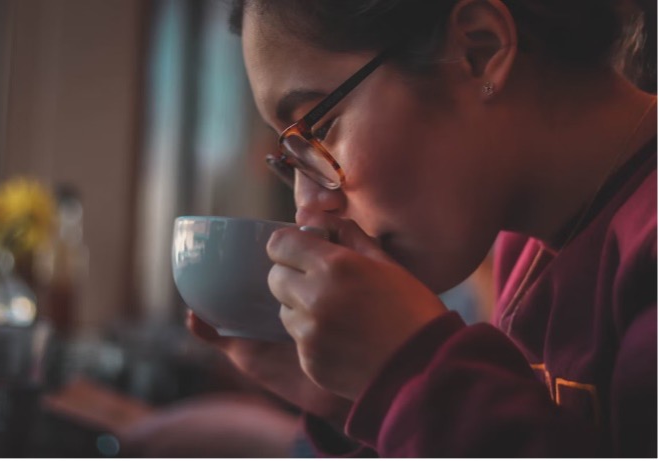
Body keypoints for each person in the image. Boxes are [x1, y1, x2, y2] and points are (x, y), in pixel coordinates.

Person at [187, 0, 657, 456]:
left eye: (319, 129)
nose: (309, 210)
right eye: (291, 161)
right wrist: (357, 406)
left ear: (478, 51)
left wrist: (409, 378)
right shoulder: (526, 244)